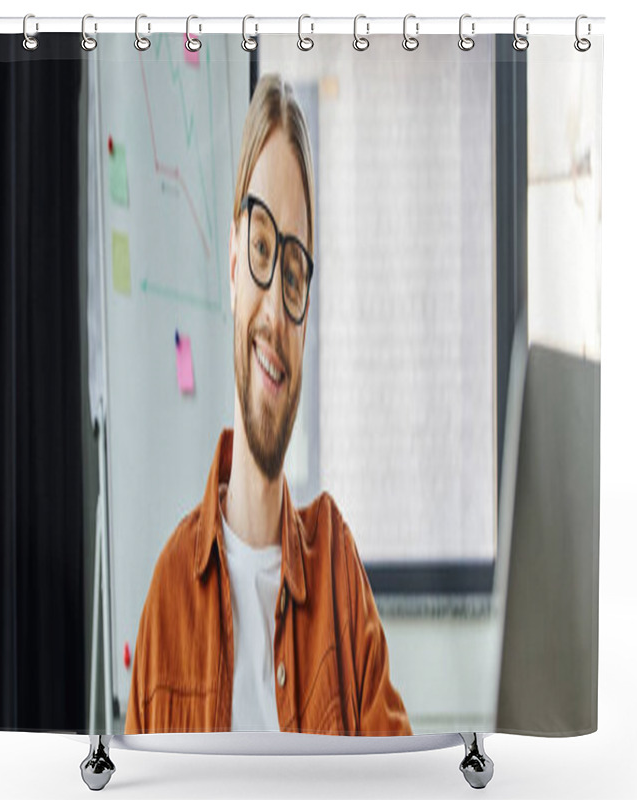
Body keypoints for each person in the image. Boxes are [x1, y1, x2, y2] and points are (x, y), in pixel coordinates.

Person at [125, 74, 411, 736]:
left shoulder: (338, 573)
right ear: (231, 263)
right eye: (260, 248)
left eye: (295, 274)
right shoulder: (168, 596)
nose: (277, 311)